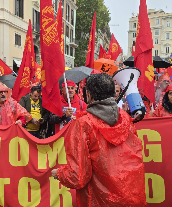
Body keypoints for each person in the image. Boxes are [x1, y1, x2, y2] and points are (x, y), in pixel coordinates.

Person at [51, 73, 146, 207]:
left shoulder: (84, 123)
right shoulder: (125, 118)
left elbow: (78, 177)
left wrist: (60, 173)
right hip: (131, 194)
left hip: (99, 199)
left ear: (89, 95)